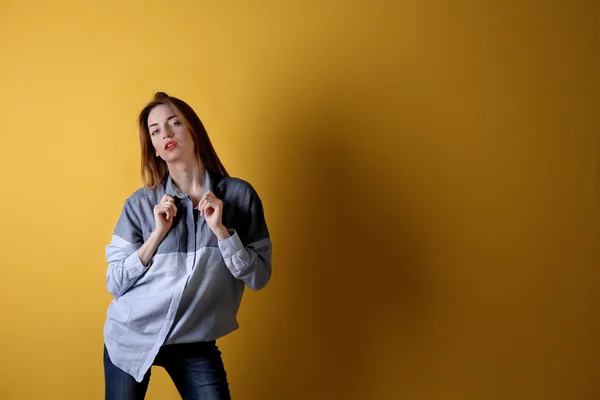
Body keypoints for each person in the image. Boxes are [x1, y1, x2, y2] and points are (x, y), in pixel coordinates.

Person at [103, 92, 272, 399]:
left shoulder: (239, 197)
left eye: (174, 123)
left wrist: (221, 231)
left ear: (193, 130)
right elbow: (115, 283)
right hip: (132, 335)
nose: (165, 133)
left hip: (194, 340)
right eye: (155, 131)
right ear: (153, 148)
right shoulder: (140, 205)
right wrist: (156, 235)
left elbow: (259, 276)